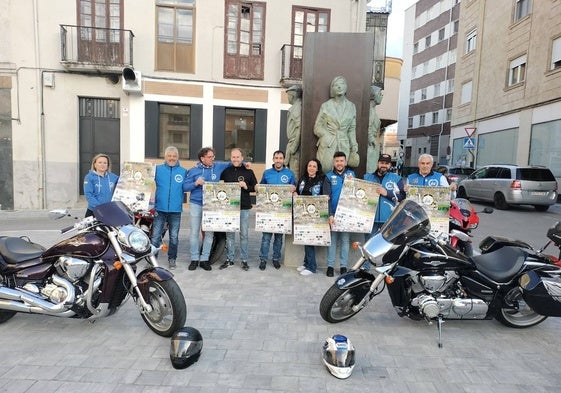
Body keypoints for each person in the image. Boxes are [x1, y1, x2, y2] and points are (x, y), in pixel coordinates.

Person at [183, 147, 232, 271]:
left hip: (211, 206)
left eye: (213, 156)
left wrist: (245, 163)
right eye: (210, 157)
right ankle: (194, 259)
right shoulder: (193, 170)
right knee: (194, 232)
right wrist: (195, 183)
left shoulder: (218, 166)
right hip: (196, 204)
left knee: (209, 233)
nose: (212, 159)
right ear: (202, 158)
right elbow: (184, 187)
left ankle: (204, 259)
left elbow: (232, 163)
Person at [219, 148, 258, 271]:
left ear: (242, 158)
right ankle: (229, 259)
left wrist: (246, 186)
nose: (235, 159)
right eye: (233, 157)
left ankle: (244, 260)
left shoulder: (249, 172)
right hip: (230, 209)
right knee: (230, 235)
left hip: (244, 208)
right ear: (231, 158)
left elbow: (255, 187)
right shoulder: (226, 172)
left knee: (244, 235)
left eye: (238, 157)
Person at [151, 146, 188, 270]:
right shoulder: (157, 170)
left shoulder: (183, 171)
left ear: (177, 157)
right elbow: (143, 178)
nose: (172, 158)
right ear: (165, 157)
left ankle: (172, 259)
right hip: (160, 209)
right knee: (155, 236)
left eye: (174, 156)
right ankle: (152, 259)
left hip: (175, 210)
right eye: (169, 156)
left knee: (174, 237)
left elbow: (188, 186)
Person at [258, 150, 296, 270]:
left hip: (282, 213)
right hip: (268, 212)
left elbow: (294, 189)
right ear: (273, 159)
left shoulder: (290, 174)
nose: (278, 160)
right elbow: (261, 187)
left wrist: (294, 190)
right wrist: (258, 187)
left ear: (284, 160)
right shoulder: (267, 173)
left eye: (280, 158)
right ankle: (263, 259)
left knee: (279, 239)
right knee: (266, 238)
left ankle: (276, 259)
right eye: (276, 158)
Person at [314, 76, 359, 172]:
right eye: (336, 85)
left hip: (344, 143)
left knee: (342, 172)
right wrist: (326, 135)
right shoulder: (326, 106)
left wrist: (354, 145)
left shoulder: (351, 106)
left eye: (342, 84)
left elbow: (352, 129)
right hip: (328, 144)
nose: (339, 87)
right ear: (332, 89)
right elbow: (317, 127)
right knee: (325, 170)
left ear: (346, 87)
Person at [322, 151, 356, 277]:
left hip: (347, 215)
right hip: (334, 215)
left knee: (345, 241)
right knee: (333, 240)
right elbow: (327, 198)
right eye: (337, 161)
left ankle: (343, 266)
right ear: (334, 162)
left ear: (345, 162)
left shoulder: (352, 175)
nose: (339, 163)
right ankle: (330, 266)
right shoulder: (329, 177)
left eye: (342, 161)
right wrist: (330, 214)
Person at [363, 153, 406, 240]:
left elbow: (402, 196)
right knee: (369, 245)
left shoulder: (396, 179)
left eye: (387, 163)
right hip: (370, 220)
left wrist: (387, 193)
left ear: (390, 165)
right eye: (382, 163)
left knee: (386, 247)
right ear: (378, 163)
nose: (384, 165)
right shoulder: (367, 177)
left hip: (388, 220)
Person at [295, 158, 325, 276]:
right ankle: (306, 263)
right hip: (303, 213)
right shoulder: (303, 179)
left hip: (315, 214)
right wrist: (295, 193)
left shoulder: (322, 180)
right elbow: (298, 191)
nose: (311, 168)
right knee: (305, 238)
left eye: (314, 166)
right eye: (309, 166)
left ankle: (312, 267)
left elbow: (325, 193)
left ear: (317, 168)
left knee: (310, 240)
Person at [83, 153, 119, 217]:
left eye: (105, 163)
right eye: (100, 162)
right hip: (94, 211)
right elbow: (89, 195)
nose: (102, 165)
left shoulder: (112, 177)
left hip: (108, 210)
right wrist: (100, 208)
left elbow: (124, 183)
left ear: (108, 165)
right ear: (95, 165)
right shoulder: (89, 177)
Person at [285, 85, 302, 180]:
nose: (287, 98)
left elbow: (300, 127)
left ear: (292, 96)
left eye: (288, 95)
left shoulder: (296, 108)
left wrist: (294, 147)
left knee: (294, 175)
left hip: (294, 146)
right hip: (292, 144)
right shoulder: (295, 107)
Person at [366, 85, 384, 174]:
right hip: (370, 146)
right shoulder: (370, 111)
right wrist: (372, 140)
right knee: (370, 170)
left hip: (373, 145)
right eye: (380, 94)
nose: (382, 96)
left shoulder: (372, 110)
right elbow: (367, 128)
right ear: (374, 95)